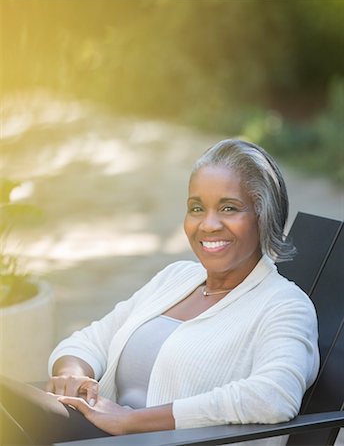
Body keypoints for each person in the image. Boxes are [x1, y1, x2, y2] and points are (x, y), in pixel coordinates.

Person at [0, 139, 319, 445]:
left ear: (263, 216)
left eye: (229, 208)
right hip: (92, 432)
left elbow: (273, 396)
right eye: (196, 208)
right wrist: (72, 375)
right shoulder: (177, 278)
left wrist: (128, 422)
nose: (208, 224)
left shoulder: (285, 306)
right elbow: (92, 339)